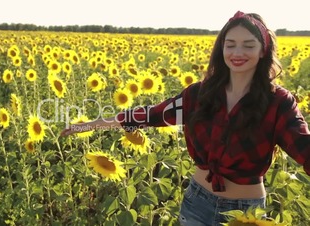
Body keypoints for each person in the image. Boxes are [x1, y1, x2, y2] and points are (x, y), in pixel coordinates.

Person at [60, 11, 310, 226]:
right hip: (197, 202)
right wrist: (91, 124)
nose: (237, 52)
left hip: (247, 212)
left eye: (248, 45)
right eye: (230, 43)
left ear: (263, 49)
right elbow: (151, 115)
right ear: (221, 47)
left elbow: (303, 147)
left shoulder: (278, 102)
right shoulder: (200, 94)